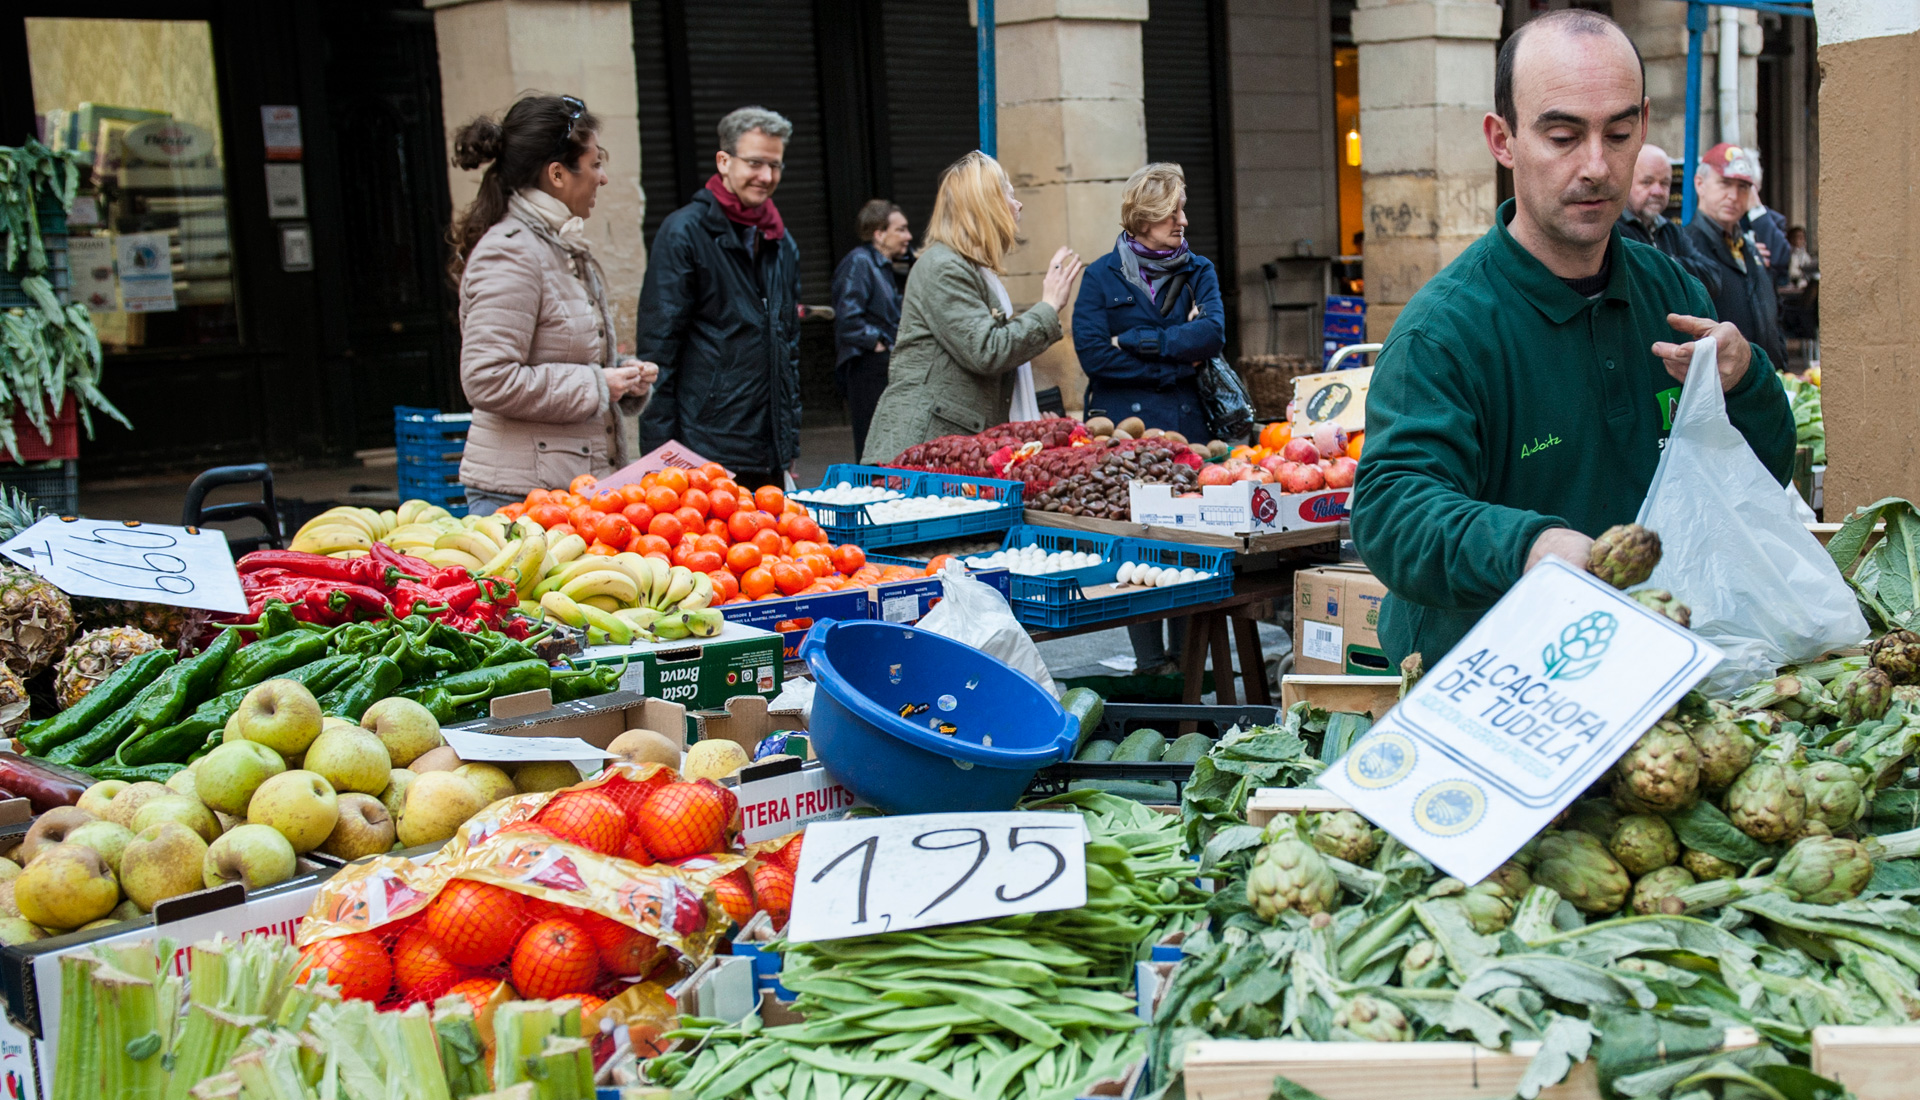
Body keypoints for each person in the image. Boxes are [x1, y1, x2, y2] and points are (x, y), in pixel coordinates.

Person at [1349, 10, 1795, 668]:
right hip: (1490, 685)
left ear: (1643, 125)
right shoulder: (1444, 331)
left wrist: (1748, 382)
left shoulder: (1674, 295)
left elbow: (1760, 477)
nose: (1596, 166)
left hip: (1651, 669)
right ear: (1502, 140)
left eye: (1617, 134)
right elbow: (1392, 512)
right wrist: (1527, 547)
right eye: (1562, 136)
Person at [447, 94, 655, 516]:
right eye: (595, 164)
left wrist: (622, 375)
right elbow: (488, 378)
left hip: (568, 495)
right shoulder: (511, 253)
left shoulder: (560, 244)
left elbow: (564, 354)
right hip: (521, 501)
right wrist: (601, 385)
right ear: (557, 174)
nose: (603, 178)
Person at [860, 151, 1083, 464]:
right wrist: (1048, 306)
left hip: (945, 456)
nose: (1018, 205)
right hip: (918, 458)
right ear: (986, 204)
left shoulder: (974, 269)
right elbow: (987, 349)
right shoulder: (942, 266)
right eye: (1010, 194)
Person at [636, 106, 801, 491]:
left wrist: (789, 444)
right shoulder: (684, 233)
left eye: (775, 165)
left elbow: (789, 348)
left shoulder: (781, 240)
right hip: (703, 452)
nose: (766, 176)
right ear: (724, 161)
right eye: (755, 163)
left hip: (769, 452)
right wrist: (659, 459)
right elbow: (658, 352)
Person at [1071, 162, 1225, 444]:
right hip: (1121, 434)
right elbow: (1095, 357)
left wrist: (1138, 341)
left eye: (1183, 209)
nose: (1184, 221)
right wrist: (1175, 367)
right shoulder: (1099, 275)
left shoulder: (1199, 270)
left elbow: (1212, 334)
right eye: (1173, 213)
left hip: (1188, 428)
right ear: (1143, 220)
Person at [1687, 143, 1790, 376]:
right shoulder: (1687, 247)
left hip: (1766, 386)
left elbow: (1774, 318)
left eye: (1743, 187)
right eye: (1724, 184)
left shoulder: (1750, 249)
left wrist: (1781, 365)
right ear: (1700, 184)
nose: (1733, 196)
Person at [832, 199, 911, 458]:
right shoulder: (860, 263)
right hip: (868, 367)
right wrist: (878, 344)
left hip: (881, 365)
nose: (908, 236)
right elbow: (847, 318)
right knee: (873, 445)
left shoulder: (882, 266)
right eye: (900, 229)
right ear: (879, 234)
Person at [1615, 143, 1719, 291]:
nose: (1657, 191)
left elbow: (1712, 278)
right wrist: (1675, 263)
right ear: (1625, 181)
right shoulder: (1612, 231)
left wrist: (1664, 262)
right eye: (1647, 182)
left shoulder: (1671, 231)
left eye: (1664, 183)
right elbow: (1639, 283)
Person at [1742, 148, 1792, 286]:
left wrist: (1756, 211)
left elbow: (1780, 259)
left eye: (1742, 186)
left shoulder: (1772, 221)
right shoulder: (1719, 220)